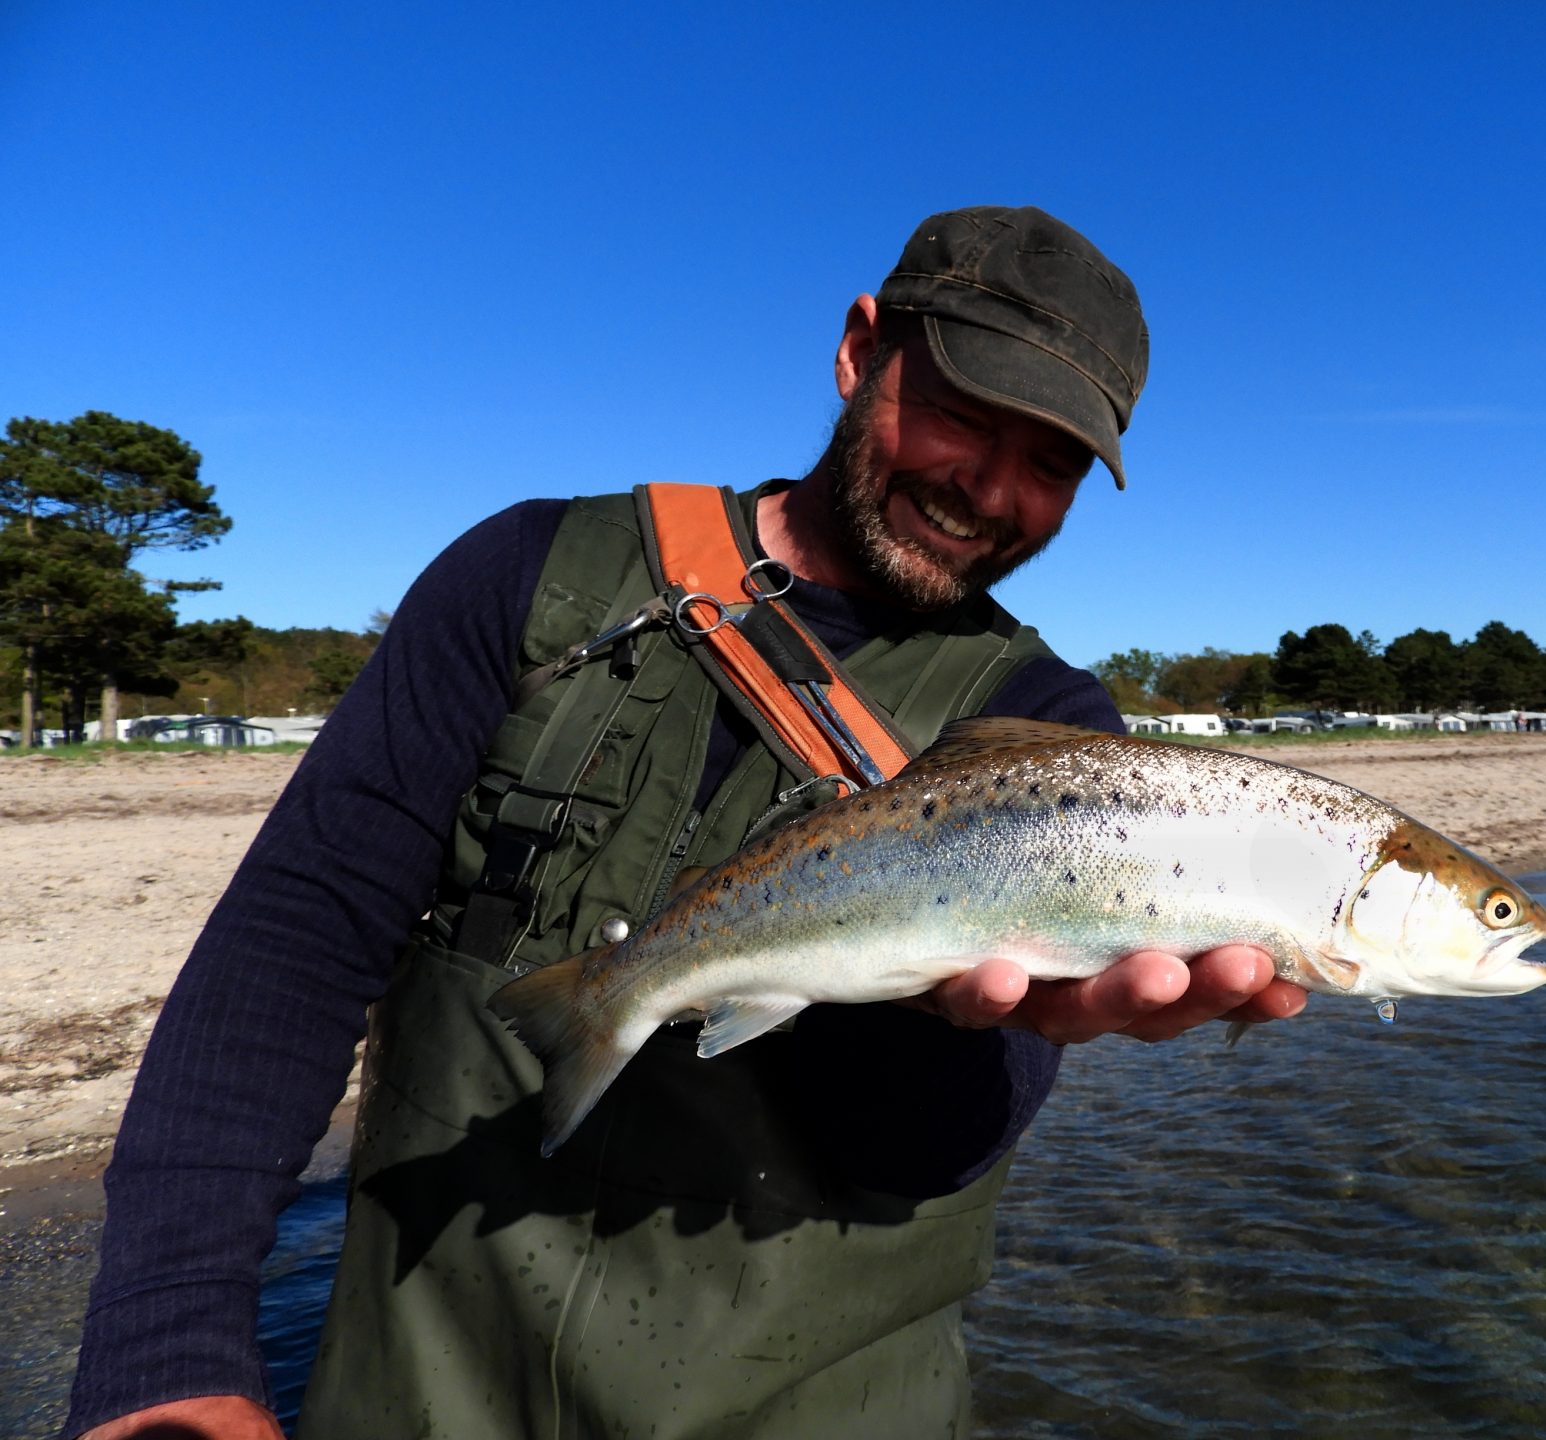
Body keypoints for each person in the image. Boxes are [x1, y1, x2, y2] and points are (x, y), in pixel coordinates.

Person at [66, 205, 1308, 1440]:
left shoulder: (1057, 733)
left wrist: (949, 1020)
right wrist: (164, 1347)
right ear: (858, 347)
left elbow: (933, 1157)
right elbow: (298, 937)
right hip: (420, 1386)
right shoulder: (528, 577)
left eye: (1052, 464)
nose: (990, 491)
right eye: (966, 417)